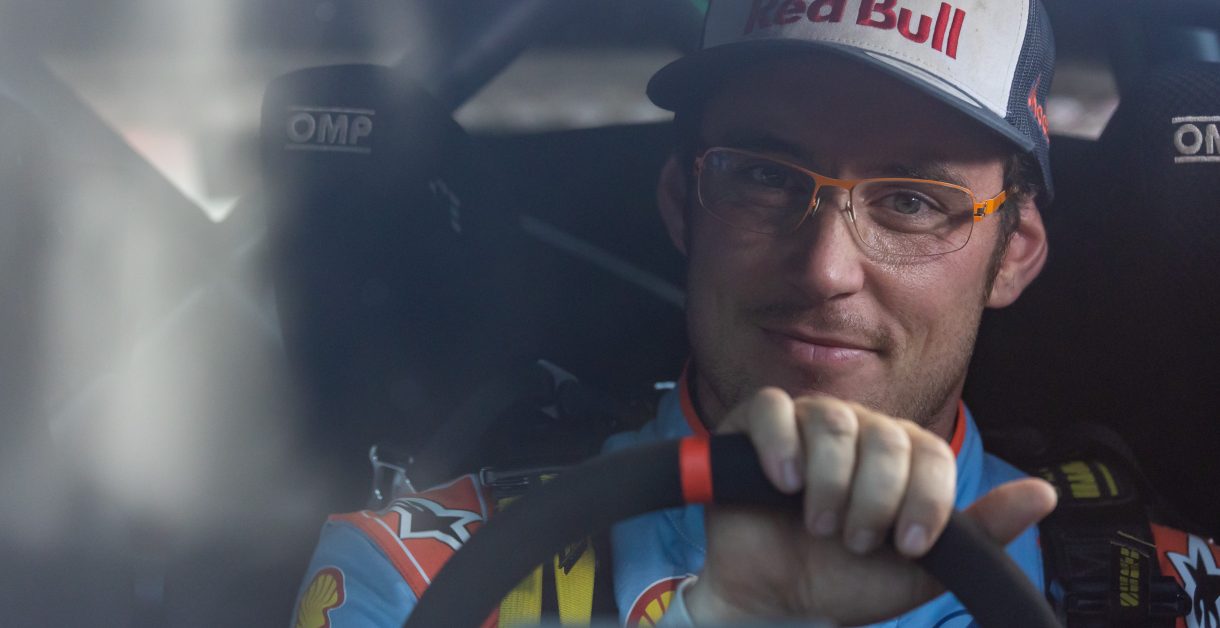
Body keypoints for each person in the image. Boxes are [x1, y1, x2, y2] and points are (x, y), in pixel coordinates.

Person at [292, 1, 1064, 625]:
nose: (825, 269)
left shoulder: (1133, 587)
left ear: (1015, 252)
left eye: (912, 202)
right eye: (765, 177)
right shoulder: (418, 577)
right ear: (678, 204)